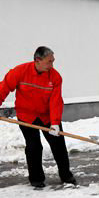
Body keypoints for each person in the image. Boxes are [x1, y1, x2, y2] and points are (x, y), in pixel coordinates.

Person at [0, 47, 76, 188]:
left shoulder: (55, 77)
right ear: (37, 60)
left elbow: (56, 101)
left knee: (58, 145)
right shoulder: (19, 71)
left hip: (47, 116)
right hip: (26, 116)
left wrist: (55, 123)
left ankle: (66, 175)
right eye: (49, 62)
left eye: (53, 61)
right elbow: (3, 88)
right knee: (33, 146)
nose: (52, 65)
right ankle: (36, 179)